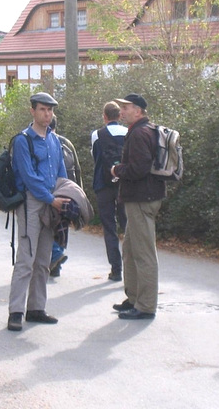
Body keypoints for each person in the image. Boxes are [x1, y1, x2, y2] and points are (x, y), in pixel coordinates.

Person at [7, 92, 68, 331]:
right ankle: (15, 311)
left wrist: (63, 195)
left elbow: (61, 171)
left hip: (52, 202)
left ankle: (36, 308)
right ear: (32, 111)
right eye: (43, 109)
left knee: (44, 260)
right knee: (26, 259)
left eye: (50, 110)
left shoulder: (54, 140)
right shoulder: (23, 140)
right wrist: (50, 198)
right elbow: (28, 177)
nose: (47, 114)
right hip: (32, 203)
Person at [111, 93, 166, 320]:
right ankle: (133, 298)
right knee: (130, 250)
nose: (122, 111)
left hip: (142, 200)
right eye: (122, 107)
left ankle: (145, 306)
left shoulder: (139, 133)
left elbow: (139, 169)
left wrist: (117, 170)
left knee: (143, 254)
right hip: (141, 198)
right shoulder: (144, 131)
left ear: (139, 111)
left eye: (127, 107)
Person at [91, 101, 128, 282]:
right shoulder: (129, 133)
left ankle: (116, 269)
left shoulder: (97, 135)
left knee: (109, 227)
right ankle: (130, 267)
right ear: (120, 116)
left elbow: (95, 157)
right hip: (125, 184)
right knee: (127, 224)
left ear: (104, 116)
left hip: (103, 184)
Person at [48, 114, 82, 277]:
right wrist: (79, 194)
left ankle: (55, 255)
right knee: (62, 227)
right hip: (68, 190)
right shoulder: (67, 143)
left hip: (52, 191)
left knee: (49, 225)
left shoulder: (45, 140)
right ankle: (56, 265)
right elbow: (76, 168)